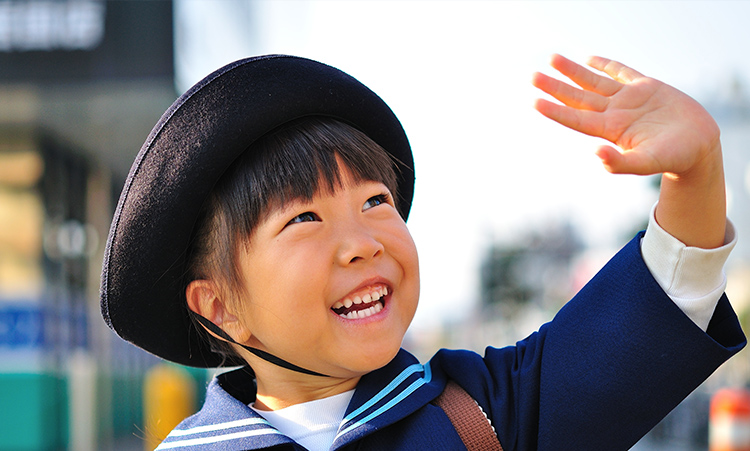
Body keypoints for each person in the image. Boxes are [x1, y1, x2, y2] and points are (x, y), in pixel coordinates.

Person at [100, 54, 745, 450]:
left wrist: (697, 174)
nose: (361, 242)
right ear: (220, 304)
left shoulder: (487, 414)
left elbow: (647, 312)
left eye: (376, 201)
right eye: (304, 218)